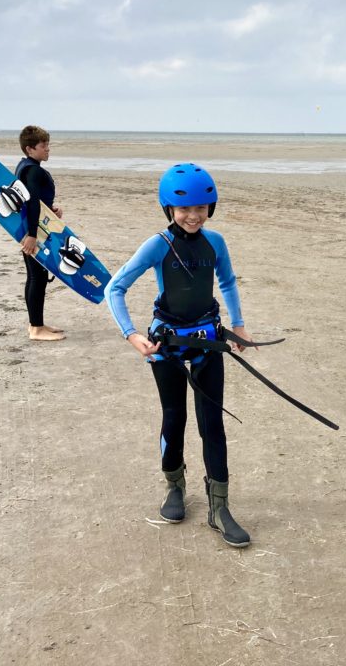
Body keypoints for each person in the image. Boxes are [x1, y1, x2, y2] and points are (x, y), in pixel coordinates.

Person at [105, 163, 255, 548]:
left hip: (207, 341)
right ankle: (174, 486)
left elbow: (227, 281)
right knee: (174, 417)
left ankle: (219, 507)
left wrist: (238, 325)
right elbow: (114, 288)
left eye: (203, 208)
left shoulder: (215, 242)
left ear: (212, 208)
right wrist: (132, 335)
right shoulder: (157, 245)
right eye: (184, 209)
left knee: (212, 425)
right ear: (168, 209)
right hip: (167, 346)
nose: (194, 216)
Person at [15, 125, 66, 342]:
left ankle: (36, 323)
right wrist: (33, 235)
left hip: (32, 228)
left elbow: (34, 203)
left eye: (48, 145)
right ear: (30, 149)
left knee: (35, 277)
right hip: (35, 232)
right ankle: (36, 329)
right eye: (43, 146)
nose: (48, 149)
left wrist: (51, 212)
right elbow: (32, 203)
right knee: (37, 278)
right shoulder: (33, 170)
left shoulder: (24, 166)